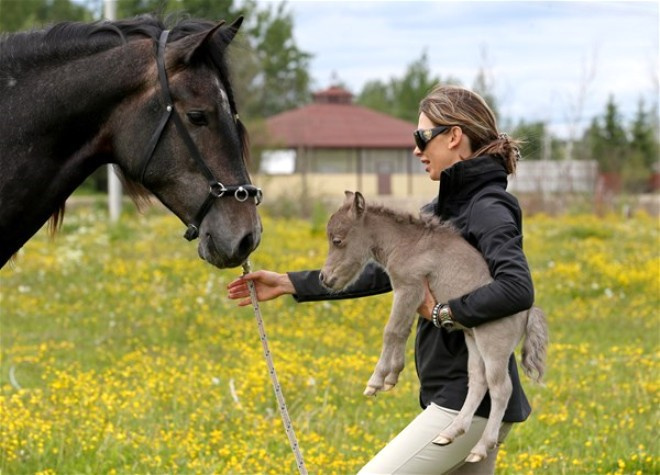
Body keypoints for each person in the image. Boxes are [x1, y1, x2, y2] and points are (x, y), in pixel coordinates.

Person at [227, 84, 536, 474]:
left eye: (422, 137)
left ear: (454, 136)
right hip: (458, 397)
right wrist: (292, 282)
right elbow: (384, 270)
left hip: (467, 400)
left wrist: (443, 313)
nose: (416, 150)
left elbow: (517, 288)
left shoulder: (488, 207)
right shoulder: (442, 209)